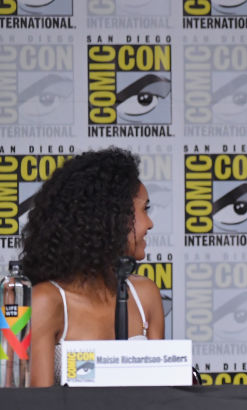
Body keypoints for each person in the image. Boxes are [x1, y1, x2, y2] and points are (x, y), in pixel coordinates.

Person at [20, 147, 164, 387]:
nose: (150, 223)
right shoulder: (46, 301)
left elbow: (163, 395)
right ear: (109, 216)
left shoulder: (145, 295)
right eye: (144, 209)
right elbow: (38, 405)